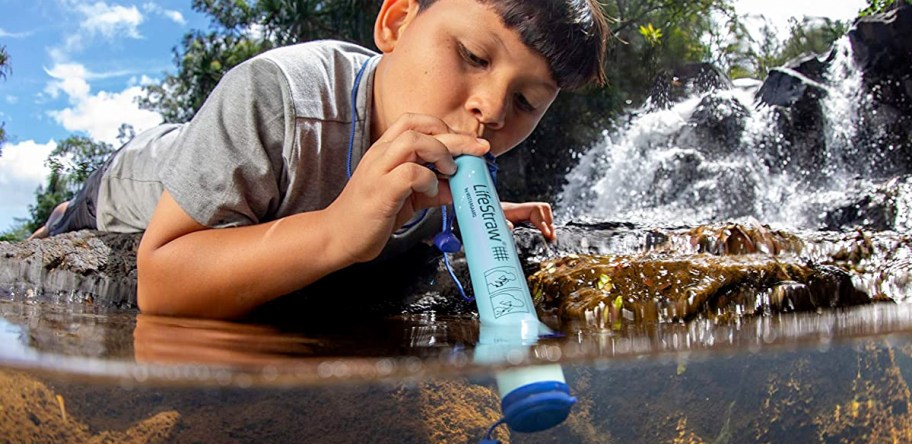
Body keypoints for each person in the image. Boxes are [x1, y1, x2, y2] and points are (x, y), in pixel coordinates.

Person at [33, 0, 609, 318]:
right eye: (472, 55)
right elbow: (161, 284)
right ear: (396, 22)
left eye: (526, 101)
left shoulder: (450, 151)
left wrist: (489, 211)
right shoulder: (277, 96)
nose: (490, 107)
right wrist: (334, 232)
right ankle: (59, 216)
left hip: (248, 171)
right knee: (78, 222)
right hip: (141, 175)